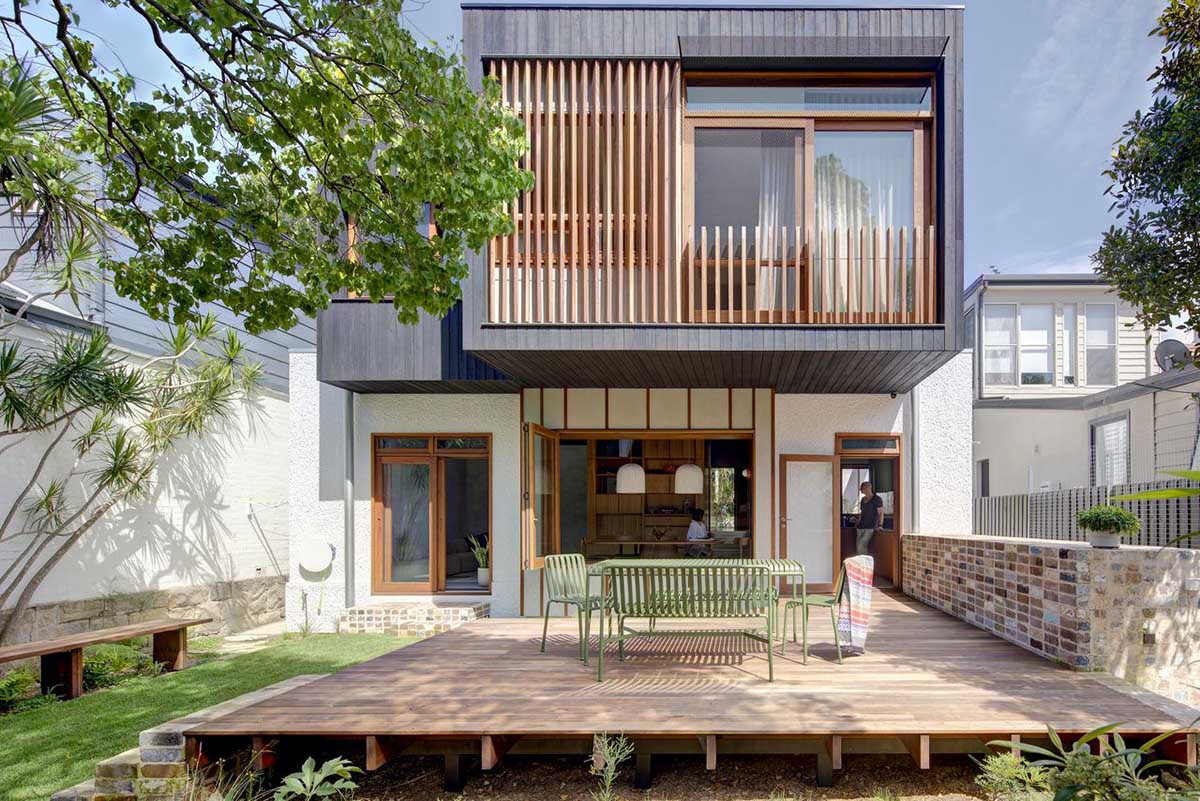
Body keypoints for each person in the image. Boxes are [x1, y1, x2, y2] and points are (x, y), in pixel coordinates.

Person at [856, 481, 884, 556]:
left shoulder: (877, 499)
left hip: (871, 527)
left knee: (862, 545)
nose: (861, 490)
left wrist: (880, 525)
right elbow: (862, 513)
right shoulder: (862, 500)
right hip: (860, 526)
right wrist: (857, 522)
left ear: (868, 488)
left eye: (862, 488)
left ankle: (864, 564)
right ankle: (861, 563)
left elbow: (881, 513)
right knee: (859, 546)